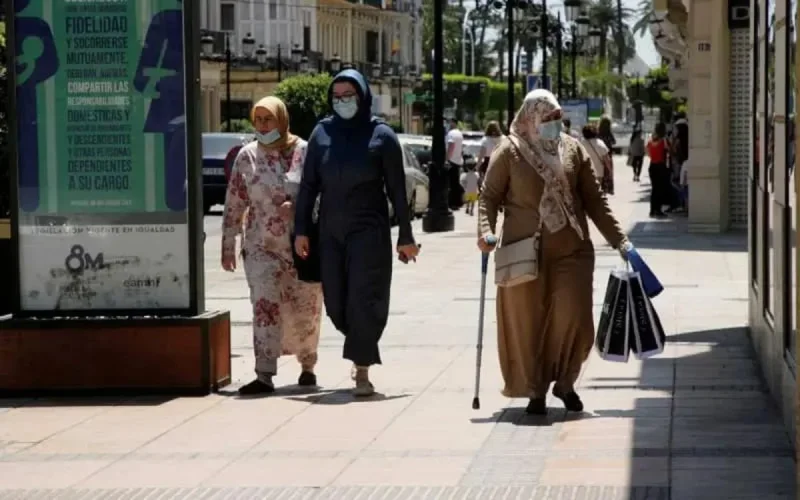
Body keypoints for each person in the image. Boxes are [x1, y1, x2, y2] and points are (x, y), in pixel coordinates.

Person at [477, 89, 631, 415]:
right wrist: (486, 232)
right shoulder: (510, 151)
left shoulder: (573, 150)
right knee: (529, 323)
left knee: (575, 316)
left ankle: (565, 381)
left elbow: (594, 202)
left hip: (572, 250)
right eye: (547, 118)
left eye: (557, 117)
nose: (554, 124)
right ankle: (535, 389)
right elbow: (489, 197)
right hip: (524, 252)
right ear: (531, 117)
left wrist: (621, 241)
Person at [294, 69, 419, 397]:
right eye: (337, 97)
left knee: (364, 298)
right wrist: (301, 230)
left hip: (369, 232)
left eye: (349, 95)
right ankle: (359, 342)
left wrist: (406, 236)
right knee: (336, 303)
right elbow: (308, 187)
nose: (343, 102)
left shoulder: (382, 136)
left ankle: (362, 368)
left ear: (362, 96)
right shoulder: (321, 134)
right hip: (330, 232)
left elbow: (397, 192)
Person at [222, 96, 323, 395]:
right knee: (264, 306)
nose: (263, 125)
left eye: (269, 119)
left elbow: (320, 192)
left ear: (282, 120)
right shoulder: (247, 156)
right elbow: (234, 202)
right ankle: (264, 373)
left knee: (305, 307)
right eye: (259, 119)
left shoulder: (304, 152)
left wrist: (300, 207)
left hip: (299, 246)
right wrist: (228, 244)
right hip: (260, 246)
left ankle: (308, 365)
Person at [646, 123, 671, 218]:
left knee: (654, 189)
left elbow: (647, 152)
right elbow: (669, 150)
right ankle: (658, 210)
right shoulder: (664, 140)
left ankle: (652, 210)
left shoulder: (650, 141)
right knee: (660, 189)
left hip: (652, 166)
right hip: (661, 166)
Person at [446, 117, 465, 208]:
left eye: (449, 122)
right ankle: (457, 201)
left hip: (451, 160)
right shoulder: (459, 134)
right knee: (455, 183)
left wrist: (447, 158)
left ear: (453, 123)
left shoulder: (451, 133)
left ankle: (452, 202)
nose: (448, 124)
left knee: (450, 184)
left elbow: (451, 145)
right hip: (457, 160)